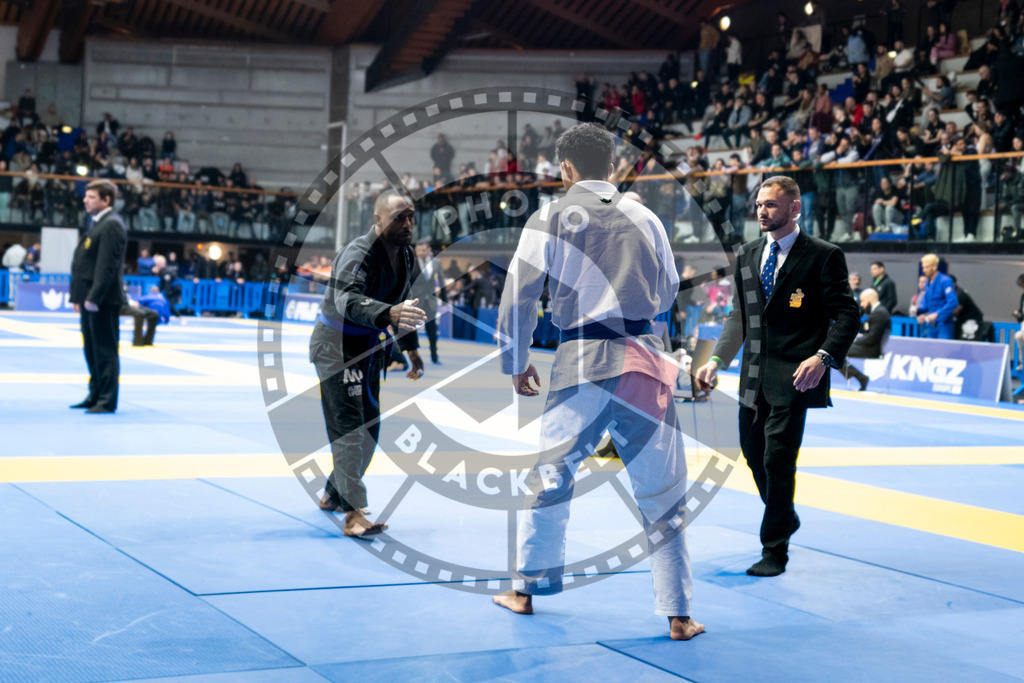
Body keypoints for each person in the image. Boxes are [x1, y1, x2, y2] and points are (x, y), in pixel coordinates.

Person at [492, 123, 703, 642]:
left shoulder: (549, 217)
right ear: (611, 167)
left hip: (580, 363)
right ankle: (678, 614)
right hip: (642, 363)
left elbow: (518, 296)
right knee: (662, 490)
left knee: (552, 478)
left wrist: (515, 362)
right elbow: (670, 288)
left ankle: (525, 590)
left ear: (566, 169)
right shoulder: (645, 216)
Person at [695, 175, 859, 577]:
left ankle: (775, 550)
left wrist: (823, 357)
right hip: (751, 375)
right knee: (753, 454)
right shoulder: (749, 255)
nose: (762, 211)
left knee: (778, 458)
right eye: (758, 204)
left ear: (794, 208)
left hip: (796, 375)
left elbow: (847, 314)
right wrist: (717, 360)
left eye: (770, 204)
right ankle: (783, 515)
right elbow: (740, 316)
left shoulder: (822, 255)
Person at [309, 190, 426, 538]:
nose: (407, 223)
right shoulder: (358, 254)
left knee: (370, 431)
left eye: (410, 216)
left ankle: (333, 494)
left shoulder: (406, 255)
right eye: (398, 217)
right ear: (377, 219)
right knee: (348, 429)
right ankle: (354, 514)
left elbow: (404, 302)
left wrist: (410, 347)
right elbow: (347, 299)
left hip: (368, 348)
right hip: (336, 346)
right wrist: (385, 313)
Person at [69, 180, 127, 414]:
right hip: (89, 298)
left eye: (92, 197)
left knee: (104, 350)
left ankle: (107, 399)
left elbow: (106, 267)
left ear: (106, 200)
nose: (86, 200)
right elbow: (85, 264)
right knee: (91, 349)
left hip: (102, 299)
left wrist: (93, 297)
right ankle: (95, 394)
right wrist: (78, 297)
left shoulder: (111, 225)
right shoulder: (97, 224)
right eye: (86, 196)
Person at [837, 288, 891, 391]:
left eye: (863, 301)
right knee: (838, 351)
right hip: (869, 346)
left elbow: (872, 337)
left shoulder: (880, 313)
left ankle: (861, 378)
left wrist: (855, 341)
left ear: (870, 299)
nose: (862, 304)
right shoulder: (877, 312)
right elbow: (866, 330)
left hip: (872, 349)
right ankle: (861, 378)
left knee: (837, 352)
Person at [410, 240, 444, 365]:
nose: (421, 253)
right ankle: (413, 357)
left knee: (432, 331)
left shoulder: (436, 263)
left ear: (429, 250)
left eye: (423, 250)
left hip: (430, 302)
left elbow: (441, 281)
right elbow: (407, 283)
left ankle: (434, 356)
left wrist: (444, 300)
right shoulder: (411, 262)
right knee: (411, 330)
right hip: (415, 301)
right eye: (418, 250)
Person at [915, 253, 958, 339]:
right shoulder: (927, 283)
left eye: (926, 267)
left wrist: (937, 314)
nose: (924, 270)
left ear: (934, 267)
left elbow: (953, 302)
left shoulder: (945, 280)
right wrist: (919, 312)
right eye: (923, 267)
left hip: (944, 324)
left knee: (943, 350)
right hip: (932, 325)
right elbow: (926, 303)